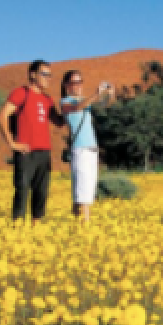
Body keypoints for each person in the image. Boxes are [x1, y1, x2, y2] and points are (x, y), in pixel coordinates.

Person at [0, 60, 56, 221]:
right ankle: (17, 231)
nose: (48, 78)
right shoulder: (21, 93)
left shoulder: (47, 99)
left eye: (50, 75)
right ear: (32, 75)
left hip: (44, 152)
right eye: (44, 74)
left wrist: (75, 105)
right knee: (22, 191)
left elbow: (59, 121)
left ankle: (34, 232)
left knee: (41, 194)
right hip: (26, 152)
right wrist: (11, 143)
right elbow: (2, 116)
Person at [59, 70, 113, 224]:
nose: (78, 86)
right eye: (74, 82)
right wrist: (96, 95)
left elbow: (104, 105)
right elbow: (78, 107)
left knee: (86, 190)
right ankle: (85, 226)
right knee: (82, 189)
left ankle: (76, 224)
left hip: (91, 149)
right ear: (66, 85)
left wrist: (109, 94)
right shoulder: (66, 102)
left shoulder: (85, 101)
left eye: (80, 82)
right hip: (80, 150)